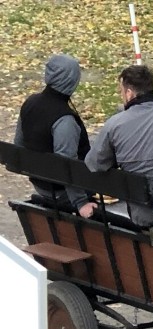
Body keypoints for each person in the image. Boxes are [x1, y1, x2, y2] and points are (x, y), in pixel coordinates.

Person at [85, 65, 153, 208]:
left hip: (138, 209)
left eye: (122, 92)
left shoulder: (115, 124)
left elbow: (94, 163)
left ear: (129, 93)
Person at [14, 54, 97, 218]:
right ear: (71, 81)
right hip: (62, 192)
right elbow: (65, 165)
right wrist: (81, 203)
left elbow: (18, 144)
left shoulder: (30, 102)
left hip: (40, 183)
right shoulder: (64, 120)